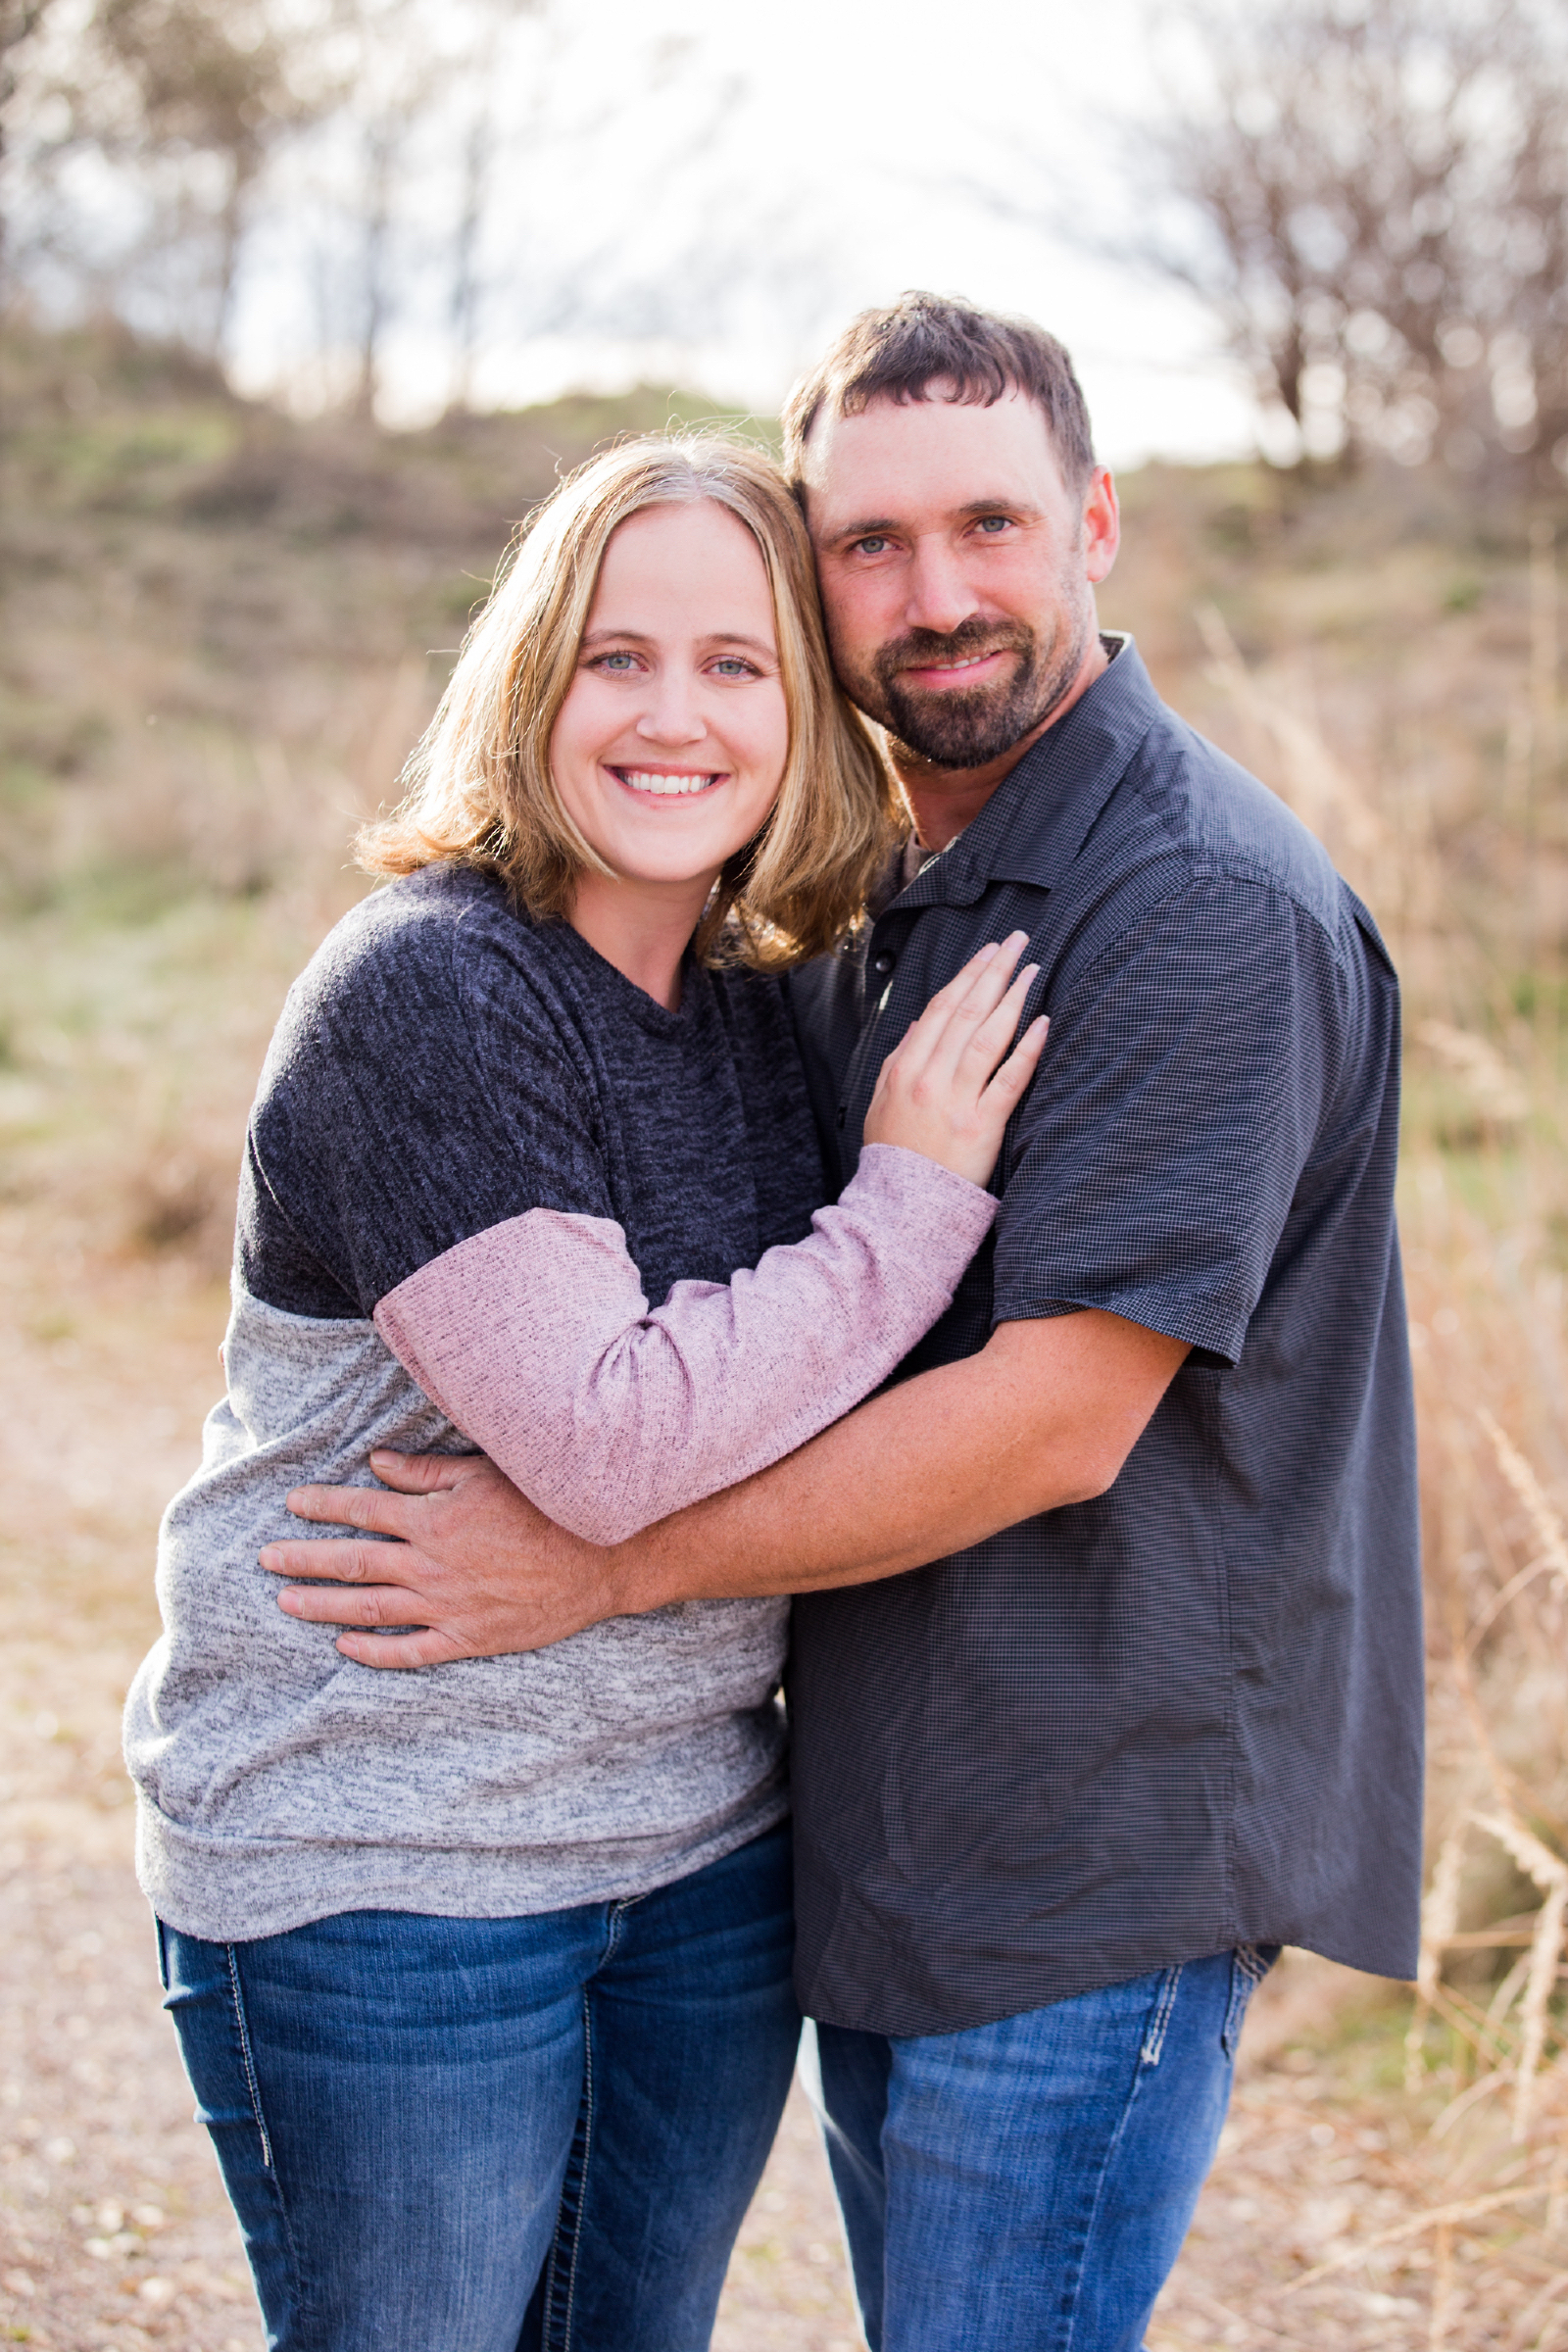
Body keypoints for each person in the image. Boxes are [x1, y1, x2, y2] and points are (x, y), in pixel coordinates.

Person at [268, 294, 1426, 2352]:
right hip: (884, 1816)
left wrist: (596, 1566)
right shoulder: (845, 900)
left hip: (1094, 1839)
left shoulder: (1192, 907)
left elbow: (1053, 1417)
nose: (935, 595)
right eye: (868, 543)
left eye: (988, 525)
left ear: (1094, 526)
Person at [123, 429, 1050, 2352]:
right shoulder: (429, 994)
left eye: (735, 665)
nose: (673, 717)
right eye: (618, 657)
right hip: (388, 1871)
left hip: (697, 1859)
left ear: (800, 714)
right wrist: (908, 1201)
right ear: (530, 681)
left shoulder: (750, 1003)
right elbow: (610, 1442)